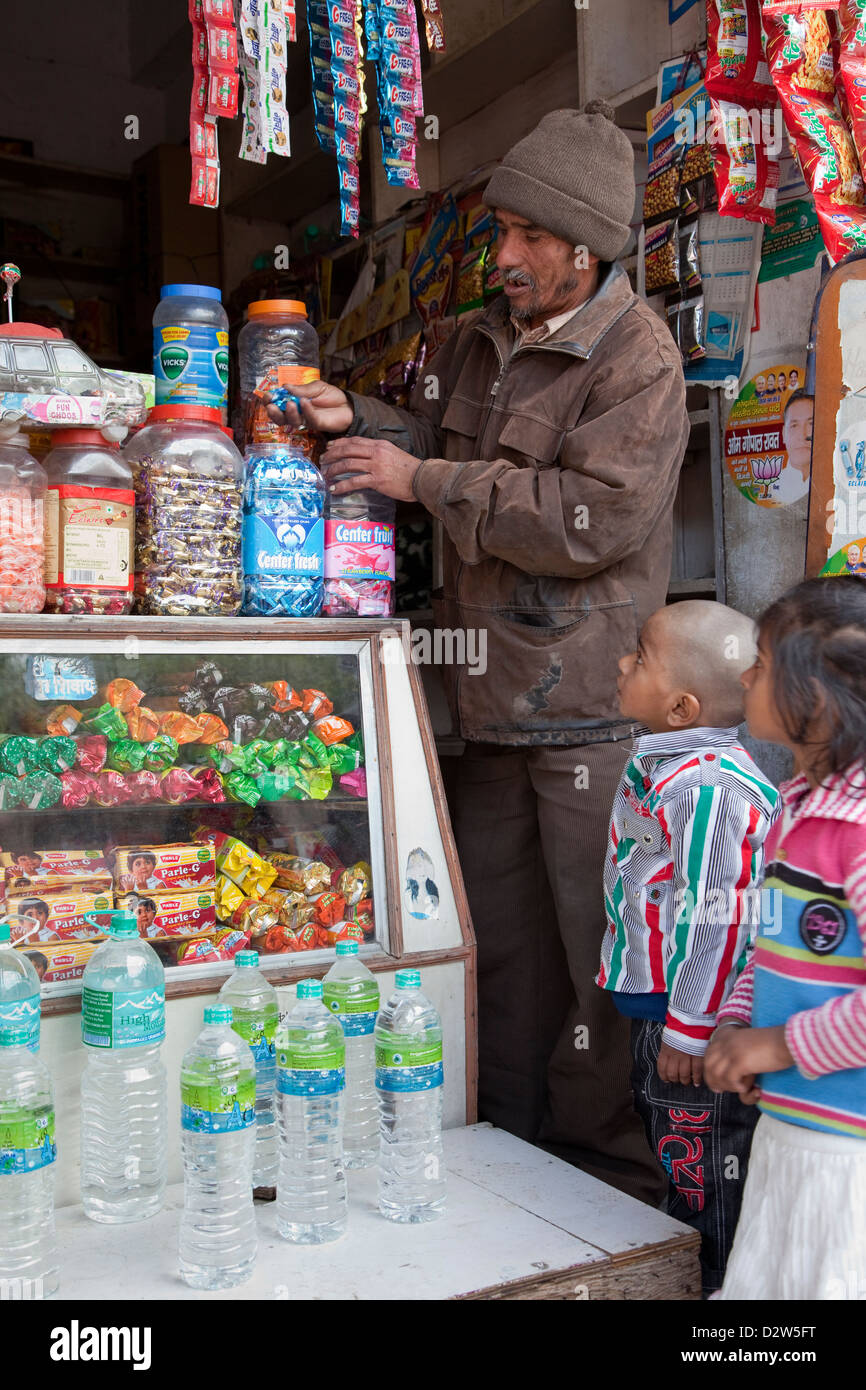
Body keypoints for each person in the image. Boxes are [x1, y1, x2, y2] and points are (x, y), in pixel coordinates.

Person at [273, 103, 690, 1203]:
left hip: (589, 708)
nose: (501, 255)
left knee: (596, 962)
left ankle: (606, 1183)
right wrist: (349, 415)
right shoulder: (472, 339)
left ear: (583, 247)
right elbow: (423, 440)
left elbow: (594, 517)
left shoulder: (635, 358)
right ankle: (501, 1156)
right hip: (481, 699)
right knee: (493, 951)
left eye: (525, 238)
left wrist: (430, 484)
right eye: (499, 231)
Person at [597, 600, 779, 1293]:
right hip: (663, 1019)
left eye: (638, 656)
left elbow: (716, 921)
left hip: (691, 1030)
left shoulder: (708, 790)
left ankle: (721, 1300)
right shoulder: (667, 769)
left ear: (680, 706)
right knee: (684, 1163)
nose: (622, 664)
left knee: (707, 1183)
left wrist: (692, 1033)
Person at [706, 576, 866, 1300]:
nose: (745, 676)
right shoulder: (800, 806)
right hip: (794, 1131)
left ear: (822, 696)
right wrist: (740, 1020)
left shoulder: (855, 828)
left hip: (848, 1154)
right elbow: (773, 941)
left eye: (764, 663)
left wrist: (777, 1046)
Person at [773, 390, 814, 505]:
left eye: (811, 424)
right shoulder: (772, 487)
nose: (802, 435)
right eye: (794, 426)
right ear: (783, 434)